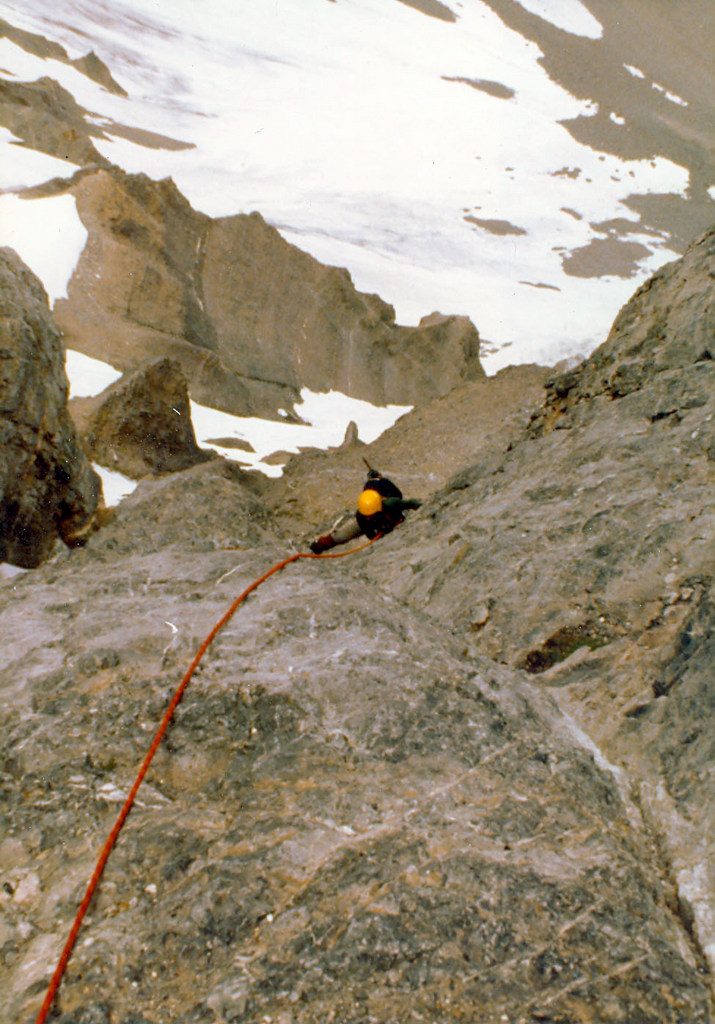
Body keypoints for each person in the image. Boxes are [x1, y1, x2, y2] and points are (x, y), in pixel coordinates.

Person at [309, 464, 422, 554]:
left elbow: (410, 502)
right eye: (368, 516)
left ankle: (321, 544)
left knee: (343, 535)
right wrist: (379, 535)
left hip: (390, 517)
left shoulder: (389, 503)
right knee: (342, 535)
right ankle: (320, 545)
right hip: (379, 521)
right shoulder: (362, 516)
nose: (369, 517)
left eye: (371, 515)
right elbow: (370, 534)